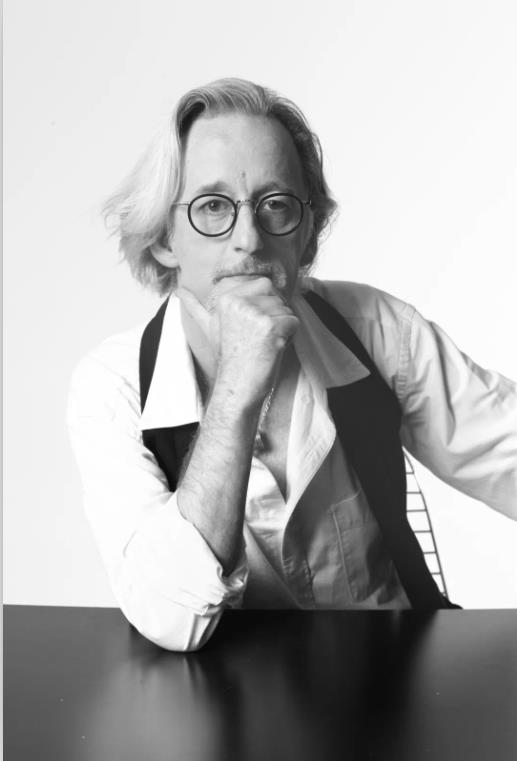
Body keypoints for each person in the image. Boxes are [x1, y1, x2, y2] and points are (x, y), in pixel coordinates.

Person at [67, 78, 517, 652]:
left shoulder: (377, 328)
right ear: (163, 240)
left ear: (307, 233)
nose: (249, 240)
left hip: (395, 676)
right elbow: (171, 619)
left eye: (276, 204)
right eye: (212, 207)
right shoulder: (113, 386)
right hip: (223, 694)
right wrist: (237, 387)